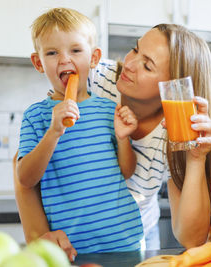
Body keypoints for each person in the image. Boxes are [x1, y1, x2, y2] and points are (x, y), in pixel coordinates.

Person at [14, 22, 211, 260]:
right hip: (69, 248)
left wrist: (196, 158)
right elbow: (24, 164)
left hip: (131, 248)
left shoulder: (175, 127)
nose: (129, 64)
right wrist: (40, 237)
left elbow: (191, 238)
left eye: (147, 65)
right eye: (135, 49)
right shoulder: (93, 75)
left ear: (172, 87)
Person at [16, 7, 144, 255]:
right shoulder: (36, 116)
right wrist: (53, 132)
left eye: (75, 50)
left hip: (124, 242)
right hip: (70, 249)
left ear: (94, 57)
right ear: (38, 62)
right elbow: (25, 178)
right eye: (52, 52)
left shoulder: (110, 110)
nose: (65, 59)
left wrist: (123, 138)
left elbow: (126, 172)